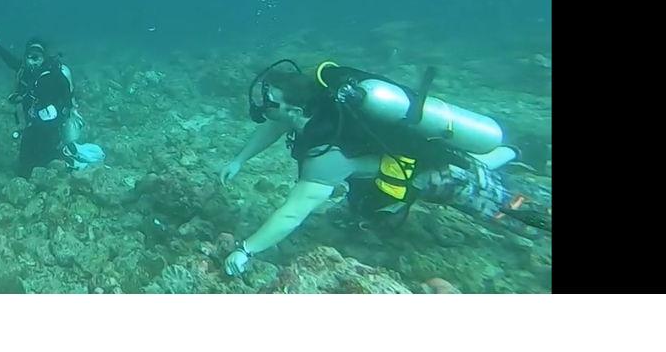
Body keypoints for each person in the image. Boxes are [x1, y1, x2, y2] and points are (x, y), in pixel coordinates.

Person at [218, 58, 551, 276]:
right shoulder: (317, 103)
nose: (262, 108)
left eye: (269, 102)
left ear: (293, 107)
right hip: (410, 159)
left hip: (440, 175)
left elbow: (293, 212)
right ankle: (509, 152)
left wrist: (247, 250)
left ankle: (533, 210)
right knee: (373, 203)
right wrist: (239, 159)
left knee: (503, 208)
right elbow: (275, 124)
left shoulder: (325, 154)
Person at [0, 28, 103, 176]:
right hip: (34, 123)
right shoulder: (24, 70)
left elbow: (66, 97)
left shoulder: (51, 76)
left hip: (52, 125)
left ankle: (72, 158)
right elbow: (10, 61)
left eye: (36, 58)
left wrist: (57, 110)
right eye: (29, 57)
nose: (32, 62)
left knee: (46, 159)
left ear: (43, 58)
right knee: (26, 163)